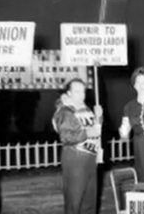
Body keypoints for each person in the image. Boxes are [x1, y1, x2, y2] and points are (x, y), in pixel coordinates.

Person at [52, 78, 103, 214]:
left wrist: (99, 117)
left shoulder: (86, 108)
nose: (81, 95)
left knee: (89, 202)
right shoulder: (65, 111)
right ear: (68, 93)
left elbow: (96, 130)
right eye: (77, 91)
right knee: (75, 202)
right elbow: (66, 136)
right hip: (75, 158)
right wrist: (88, 133)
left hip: (90, 159)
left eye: (83, 91)